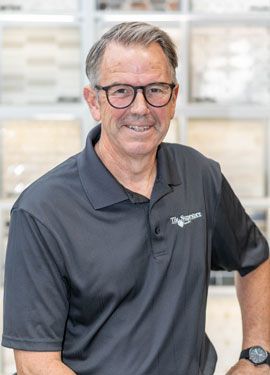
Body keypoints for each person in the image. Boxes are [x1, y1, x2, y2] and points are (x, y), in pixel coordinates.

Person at [2, 22, 270, 375]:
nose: (141, 108)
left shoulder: (200, 175)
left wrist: (257, 356)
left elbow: (256, 261)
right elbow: (36, 364)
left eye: (155, 89)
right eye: (121, 91)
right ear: (94, 101)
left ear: (174, 99)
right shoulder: (41, 211)